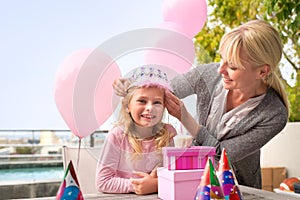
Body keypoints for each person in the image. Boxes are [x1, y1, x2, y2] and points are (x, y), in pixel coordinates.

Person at [113, 20, 289, 189]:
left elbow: (222, 153)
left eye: (233, 67)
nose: (221, 70)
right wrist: (132, 86)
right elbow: (164, 90)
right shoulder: (208, 75)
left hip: (238, 189)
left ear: (262, 71)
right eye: (222, 59)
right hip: (194, 179)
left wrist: (186, 119)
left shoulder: (274, 114)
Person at [96, 66, 177, 194]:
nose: (150, 108)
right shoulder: (118, 136)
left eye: (157, 102)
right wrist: (136, 185)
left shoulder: (167, 135)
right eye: (142, 101)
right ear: (128, 106)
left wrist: (156, 185)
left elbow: (172, 174)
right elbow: (103, 181)